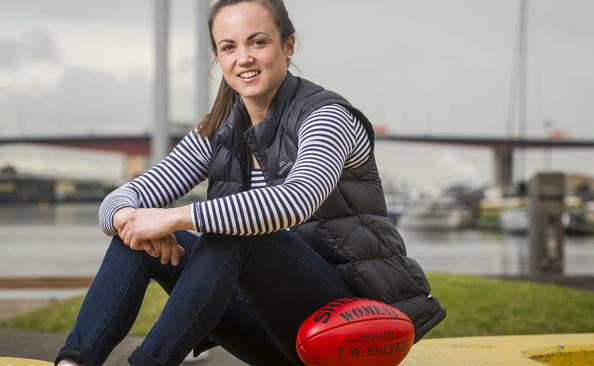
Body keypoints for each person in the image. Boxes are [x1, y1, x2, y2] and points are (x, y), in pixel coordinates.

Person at [55, 0, 445, 365]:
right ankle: (75, 361)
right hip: (267, 331)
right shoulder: (218, 131)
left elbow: (295, 201)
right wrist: (130, 218)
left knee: (240, 232)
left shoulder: (326, 118)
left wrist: (173, 218)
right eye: (229, 47)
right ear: (218, 57)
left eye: (258, 42)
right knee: (135, 237)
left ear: (288, 45)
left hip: (348, 323)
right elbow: (118, 202)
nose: (244, 58)